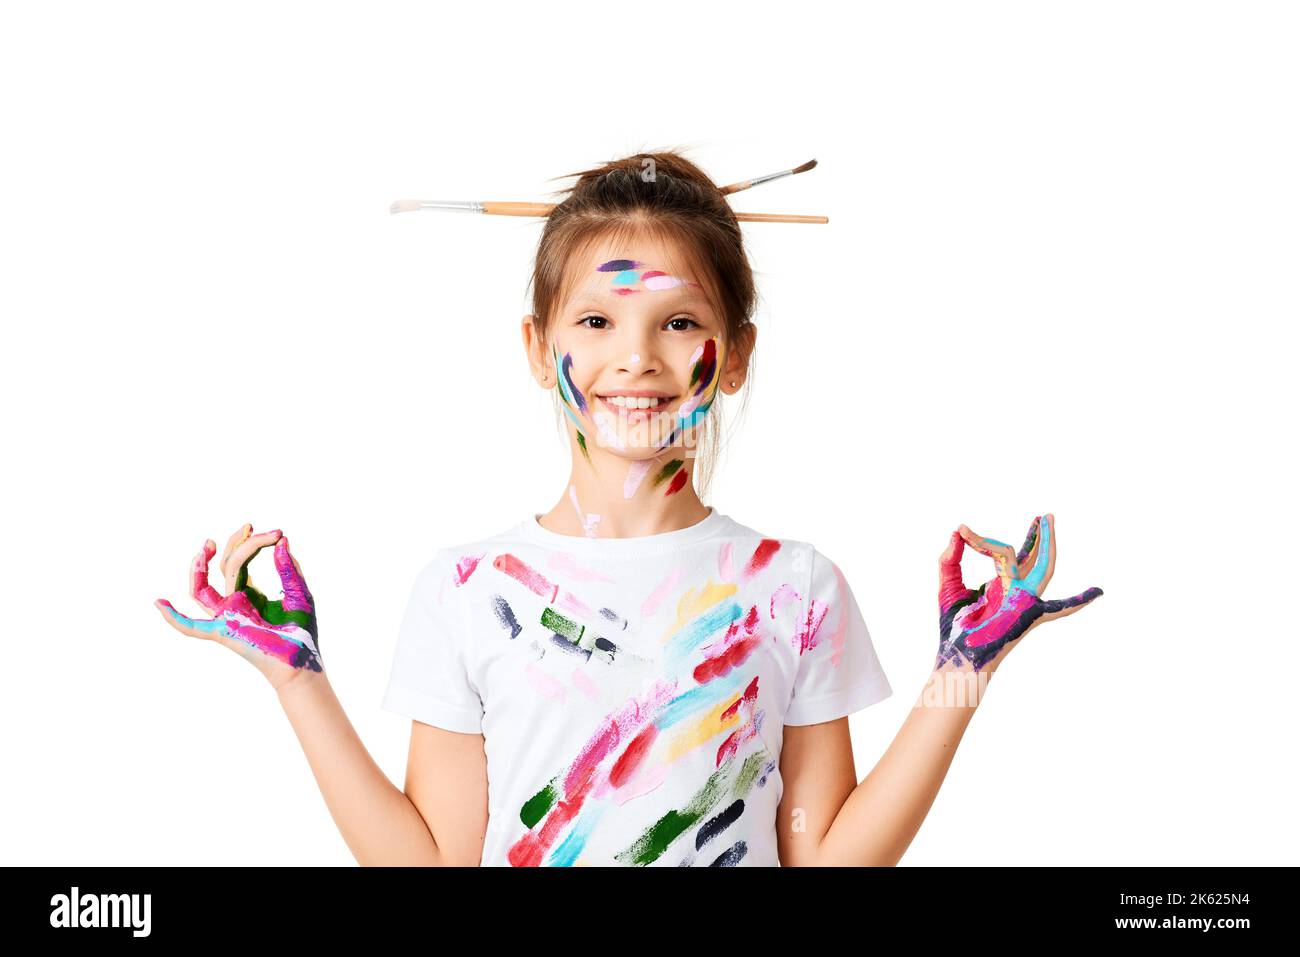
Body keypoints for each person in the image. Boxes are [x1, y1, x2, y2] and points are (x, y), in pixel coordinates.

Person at [153, 151, 1102, 867]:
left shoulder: (793, 585)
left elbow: (825, 856)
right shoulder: (466, 589)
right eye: (597, 321)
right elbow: (433, 858)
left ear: (732, 354)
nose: (635, 358)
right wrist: (297, 679)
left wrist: (963, 671)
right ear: (538, 346)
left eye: (679, 321)